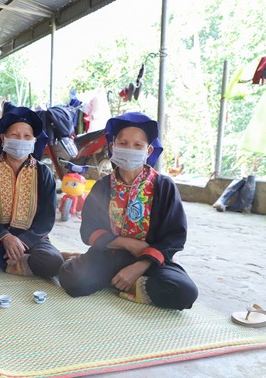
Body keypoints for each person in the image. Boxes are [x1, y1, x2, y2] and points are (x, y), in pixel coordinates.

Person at [58, 112, 198, 310]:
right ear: (112, 147)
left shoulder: (163, 186)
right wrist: (127, 243)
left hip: (149, 259)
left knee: (184, 292)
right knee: (73, 280)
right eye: (123, 143)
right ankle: (92, 267)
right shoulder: (102, 186)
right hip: (110, 252)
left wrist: (139, 266)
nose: (129, 149)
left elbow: (174, 238)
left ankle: (123, 279)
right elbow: (88, 229)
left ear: (148, 151)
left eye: (138, 145)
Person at [0, 106, 64, 278]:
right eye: (14, 135)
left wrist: (23, 242)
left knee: (53, 262)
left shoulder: (43, 173)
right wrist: (6, 237)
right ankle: (19, 261)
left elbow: (46, 219)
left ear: (34, 140)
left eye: (27, 136)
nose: (21, 140)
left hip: (32, 239)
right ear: (3, 138)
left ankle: (14, 260)